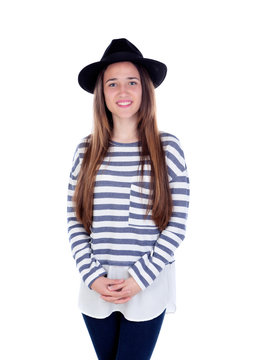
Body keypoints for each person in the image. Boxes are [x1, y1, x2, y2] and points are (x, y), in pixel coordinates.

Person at [67, 38, 190, 360]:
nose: (123, 91)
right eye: (113, 83)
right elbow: (75, 221)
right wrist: (92, 276)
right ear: (102, 94)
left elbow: (176, 226)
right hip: (98, 287)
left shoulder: (167, 149)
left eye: (132, 82)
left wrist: (140, 279)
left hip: (147, 285)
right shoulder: (86, 150)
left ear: (145, 89)